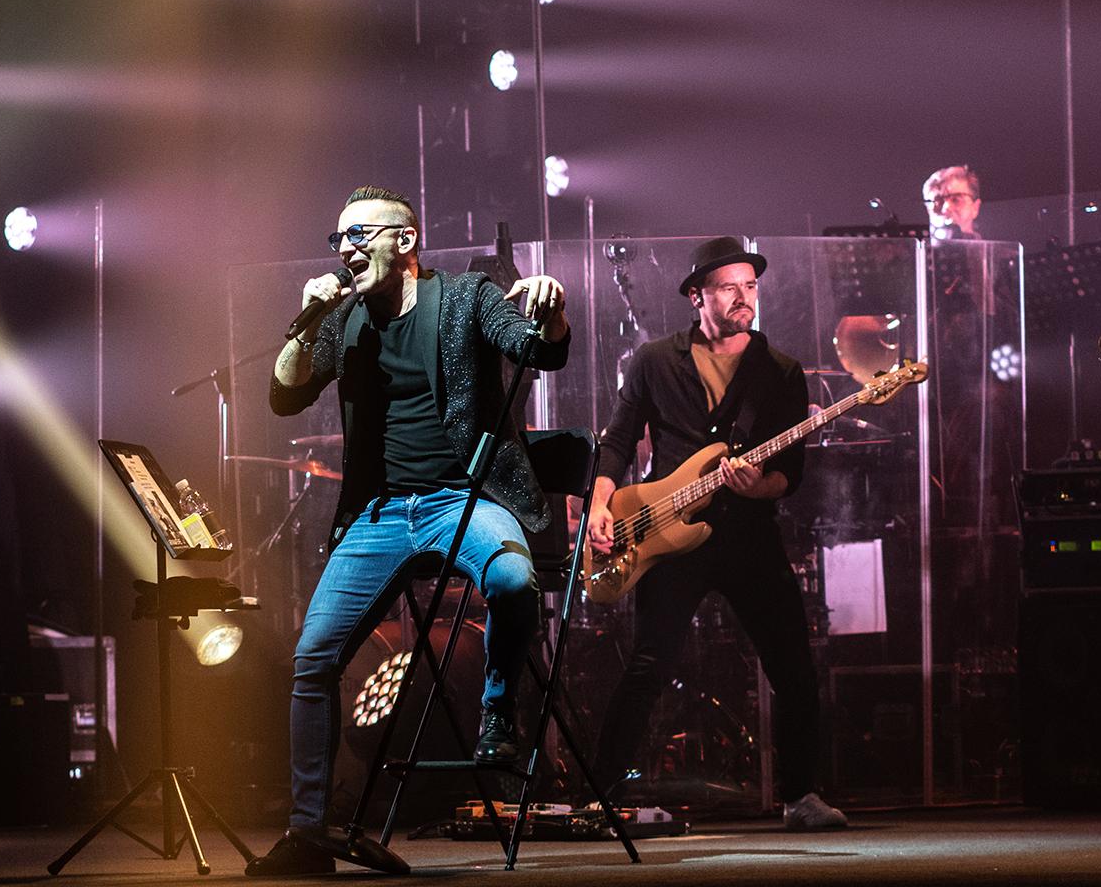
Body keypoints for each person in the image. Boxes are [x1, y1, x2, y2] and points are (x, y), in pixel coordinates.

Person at [245, 186, 571, 876]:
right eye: (338, 238)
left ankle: (497, 713)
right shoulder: (346, 318)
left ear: (407, 240)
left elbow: (537, 351)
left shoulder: (466, 298)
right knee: (312, 658)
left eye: (359, 234)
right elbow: (283, 396)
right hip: (380, 514)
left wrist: (551, 310)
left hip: (463, 500)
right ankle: (308, 833)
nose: (346, 249)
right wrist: (306, 323)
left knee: (514, 578)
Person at [586, 236, 846, 832]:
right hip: (665, 531)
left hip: (749, 536)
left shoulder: (780, 372)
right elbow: (618, 440)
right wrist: (601, 502)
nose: (743, 297)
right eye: (728, 287)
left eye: (750, 286)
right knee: (648, 666)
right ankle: (598, 797)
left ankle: (801, 796)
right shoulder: (654, 361)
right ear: (697, 296)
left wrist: (759, 486)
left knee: (793, 666)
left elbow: (791, 473)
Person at [922, 165, 983, 241]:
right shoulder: (917, 248)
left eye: (956, 200)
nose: (946, 207)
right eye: (938, 201)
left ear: (975, 208)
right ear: (928, 209)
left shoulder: (991, 248)